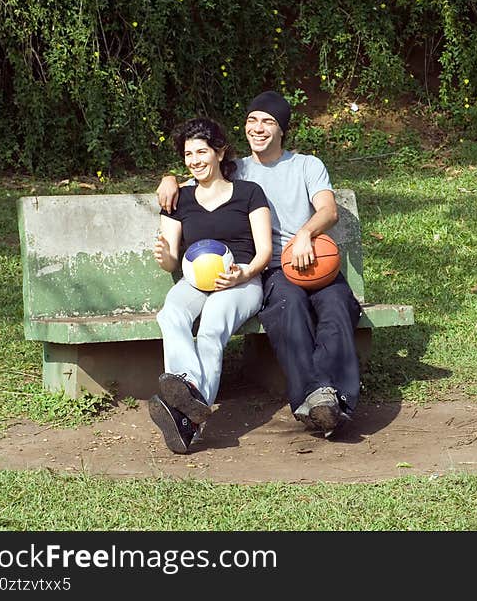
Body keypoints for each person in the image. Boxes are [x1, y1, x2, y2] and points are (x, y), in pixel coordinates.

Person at [157, 91, 362, 439]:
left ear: (282, 129)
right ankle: (310, 397)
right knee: (289, 307)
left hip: (312, 256)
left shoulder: (306, 165)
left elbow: (328, 209)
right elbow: (200, 175)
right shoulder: (238, 169)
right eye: (252, 120)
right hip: (275, 269)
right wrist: (168, 178)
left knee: (338, 307)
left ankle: (334, 398)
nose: (258, 128)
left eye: (268, 121)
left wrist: (305, 234)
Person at [149, 117, 272, 454]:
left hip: (240, 281)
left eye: (202, 151)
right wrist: (164, 258)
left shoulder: (249, 193)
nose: (195, 160)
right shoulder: (178, 200)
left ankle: (186, 415)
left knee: (212, 326)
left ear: (220, 152)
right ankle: (188, 388)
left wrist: (243, 274)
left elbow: (264, 252)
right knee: (171, 313)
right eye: (188, 154)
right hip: (194, 282)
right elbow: (173, 260)